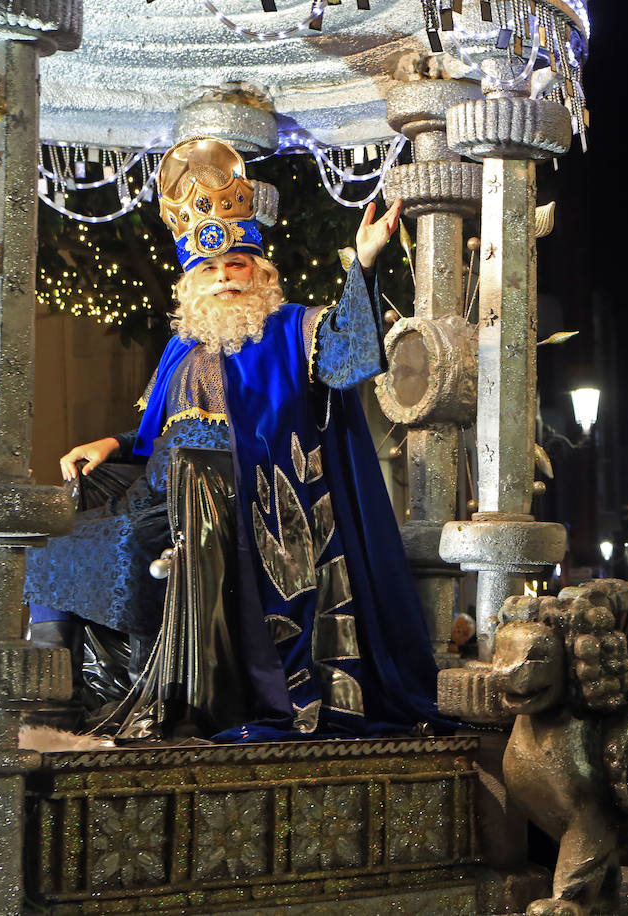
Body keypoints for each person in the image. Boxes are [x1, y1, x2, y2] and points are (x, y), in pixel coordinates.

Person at [24, 137, 442, 742]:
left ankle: (167, 704)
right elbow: (157, 431)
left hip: (241, 500)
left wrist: (365, 263)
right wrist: (111, 446)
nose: (223, 279)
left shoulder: (295, 326)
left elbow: (350, 353)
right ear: (192, 282)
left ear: (260, 271)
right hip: (159, 491)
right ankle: (61, 702)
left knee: (132, 543)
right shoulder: (180, 348)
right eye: (210, 270)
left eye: (235, 266)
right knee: (49, 536)